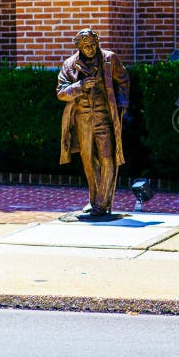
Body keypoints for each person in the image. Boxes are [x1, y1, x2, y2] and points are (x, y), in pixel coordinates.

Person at [57, 28, 130, 217]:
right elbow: (61, 93)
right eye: (86, 46)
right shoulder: (69, 64)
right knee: (88, 161)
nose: (90, 49)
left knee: (107, 158)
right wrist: (80, 87)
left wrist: (122, 104)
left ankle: (102, 203)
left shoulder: (109, 59)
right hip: (82, 120)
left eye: (93, 44)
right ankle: (94, 198)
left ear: (97, 41)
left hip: (104, 118)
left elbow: (123, 81)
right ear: (79, 46)